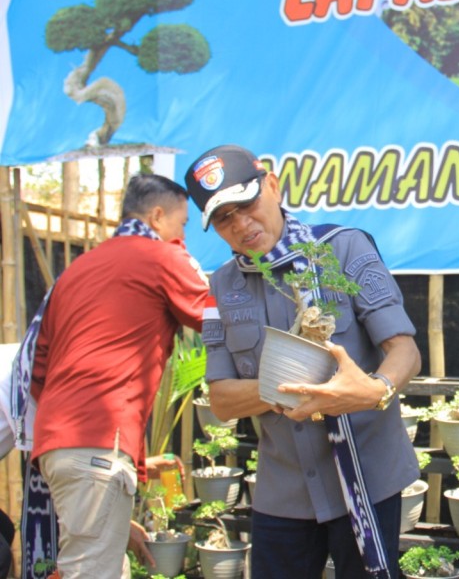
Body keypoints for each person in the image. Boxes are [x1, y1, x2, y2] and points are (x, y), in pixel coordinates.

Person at [184, 144, 421, 579]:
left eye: (247, 204)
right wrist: (285, 386)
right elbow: (220, 400)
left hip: (367, 476)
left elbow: (404, 350)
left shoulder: (345, 248)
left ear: (272, 185)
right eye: (223, 218)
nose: (241, 224)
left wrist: (377, 389)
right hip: (284, 489)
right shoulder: (221, 287)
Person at [29, 173, 208, 579]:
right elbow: (210, 316)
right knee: (90, 572)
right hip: (98, 443)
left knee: (105, 567)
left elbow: (39, 366)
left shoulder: (78, 268)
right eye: (181, 225)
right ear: (157, 216)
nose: (183, 236)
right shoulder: (161, 257)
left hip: (58, 442)